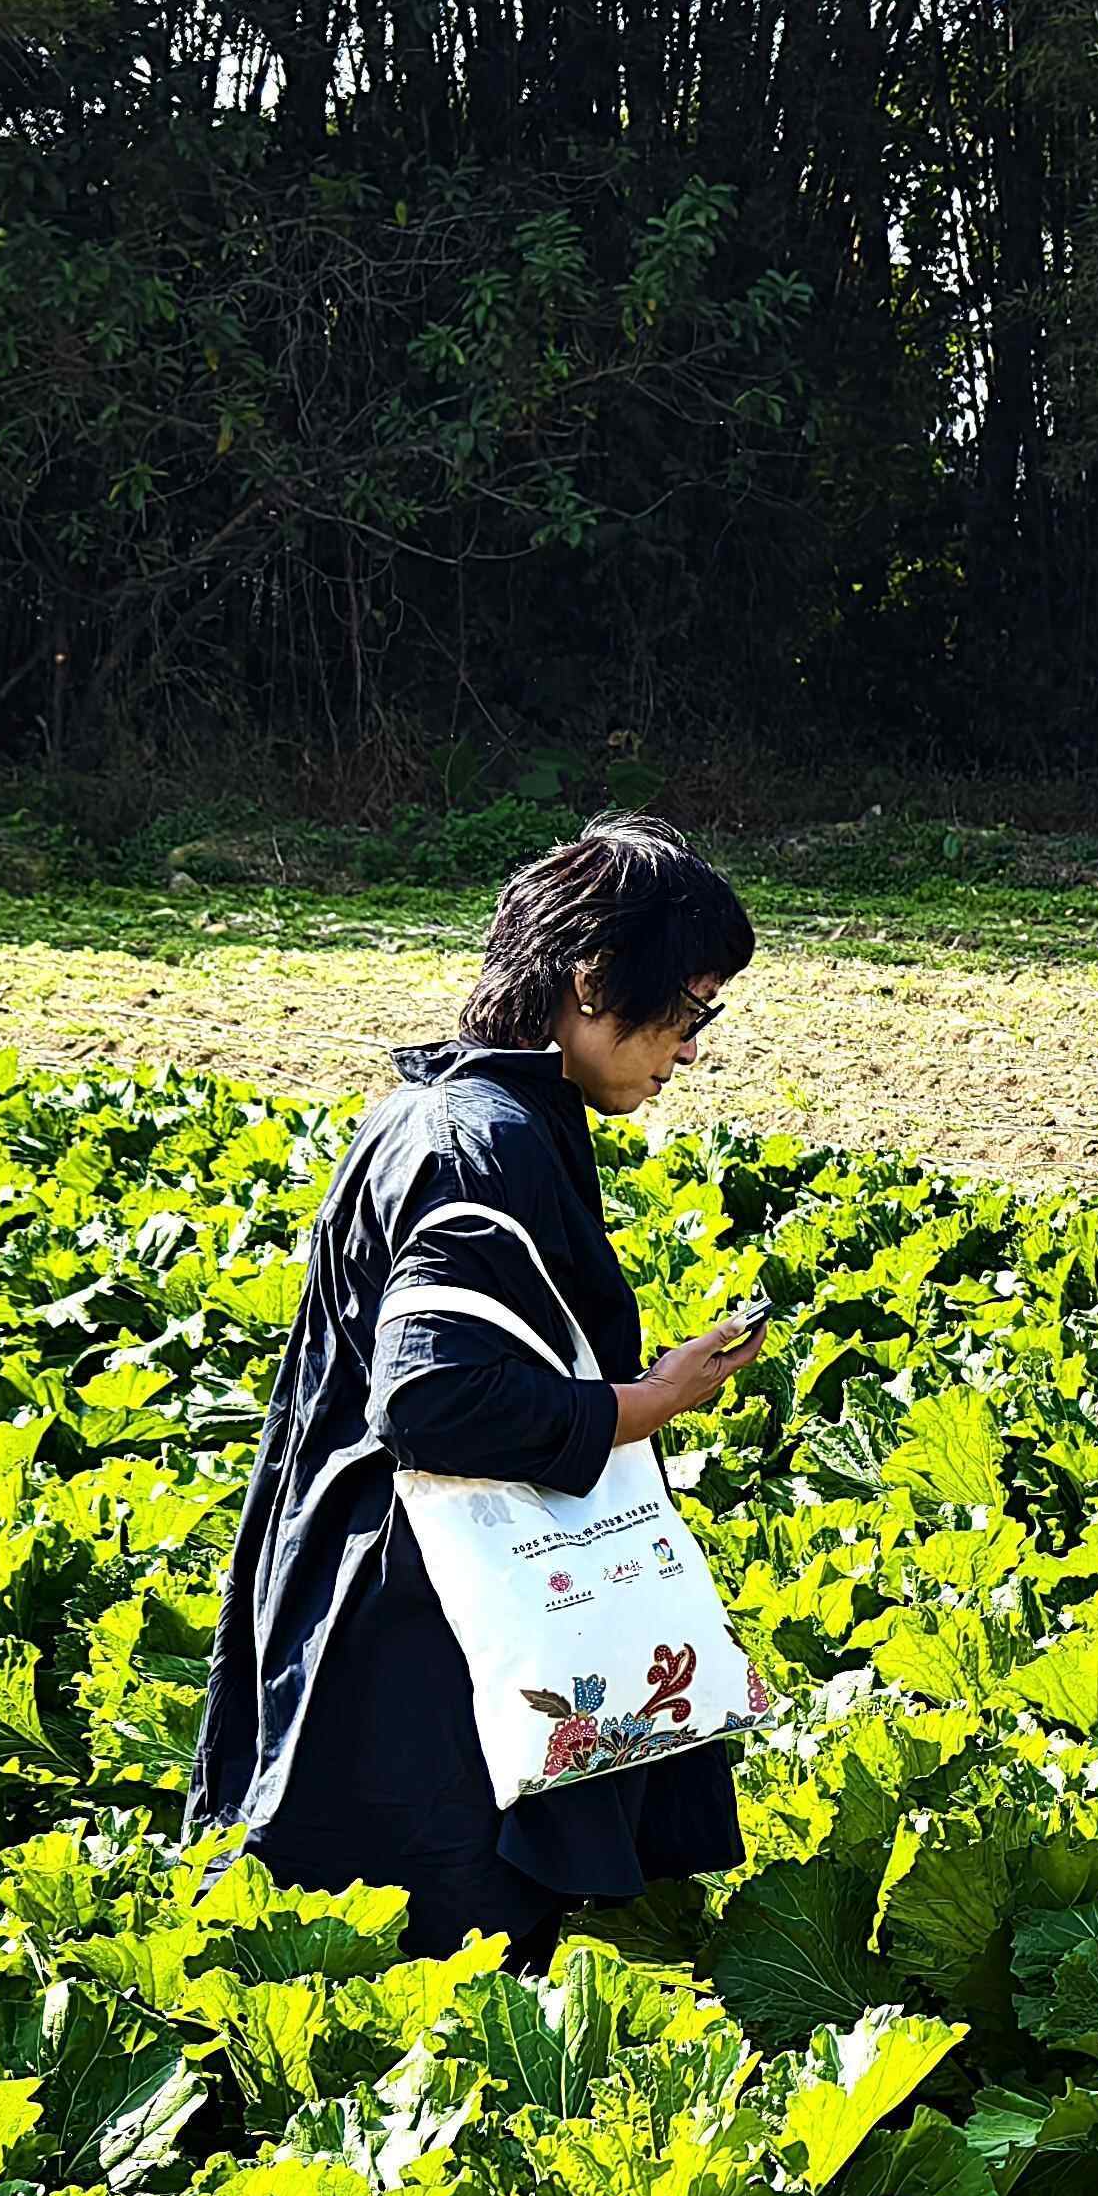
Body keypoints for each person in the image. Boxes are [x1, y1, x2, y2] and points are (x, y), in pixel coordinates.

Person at [188, 817, 767, 1963]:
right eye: (688, 1012)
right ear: (593, 980)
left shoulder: (449, 1113)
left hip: (370, 1596)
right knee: (432, 1969)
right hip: (420, 1642)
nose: (691, 1051)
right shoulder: (479, 1143)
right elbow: (438, 1399)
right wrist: (650, 1402)